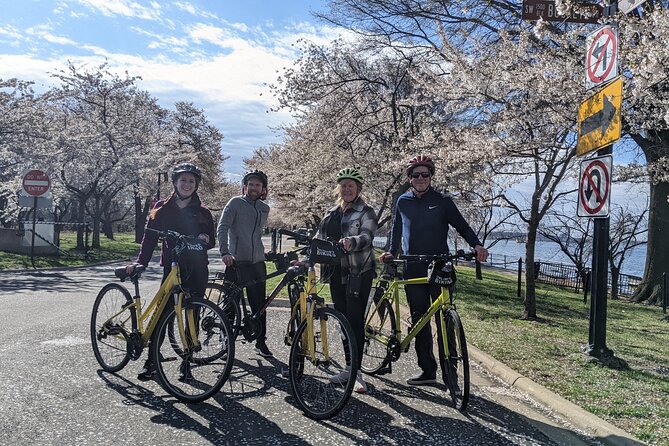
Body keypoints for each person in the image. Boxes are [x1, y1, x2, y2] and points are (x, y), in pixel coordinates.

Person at [380, 155, 488, 386]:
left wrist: (476, 244)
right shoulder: (402, 201)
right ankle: (427, 371)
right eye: (416, 175)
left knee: (444, 319)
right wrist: (391, 252)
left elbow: (462, 225)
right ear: (409, 178)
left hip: (440, 265)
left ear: (431, 177)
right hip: (413, 266)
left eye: (425, 174)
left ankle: (451, 374)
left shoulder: (442, 201)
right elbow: (396, 231)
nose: (421, 178)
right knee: (420, 320)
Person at [130, 162, 216, 381]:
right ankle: (152, 361)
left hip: (196, 267)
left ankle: (186, 363)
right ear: (175, 182)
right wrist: (142, 262)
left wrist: (205, 239)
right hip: (172, 267)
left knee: (192, 314)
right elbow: (149, 238)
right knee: (162, 312)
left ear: (196, 185)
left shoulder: (203, 211)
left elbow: (211, 238)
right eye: (183, 180)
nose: (187, 184)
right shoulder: (161, 208)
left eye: (191, 181)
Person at [319, 167, 378, 394]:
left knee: (354, 321)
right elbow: (319, 238)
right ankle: (348, 367)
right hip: (335, 273)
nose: (347, 189)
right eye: (343, 186)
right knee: (342, 321)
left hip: (358, 273)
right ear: (338, 188)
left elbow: (367, 236)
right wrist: (305, 259)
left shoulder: (367, 211)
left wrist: (350, 241)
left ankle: (357, 373)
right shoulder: (331, 212)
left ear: (358, 188)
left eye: (351, 186)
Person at [217, 169, 272, 357]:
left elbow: (256, 234)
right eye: (251, 184)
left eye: (258, 185)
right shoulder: (235, 203)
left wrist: (266, 253)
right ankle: (225, 340)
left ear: (263, 188)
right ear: (245, 186)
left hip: (257, 263)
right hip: (236, 262)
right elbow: (223, 227)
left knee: (260, 306)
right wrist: (225, 252)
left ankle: (260, 342)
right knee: (230, 303)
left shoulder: (265, 208)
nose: (254, 188)